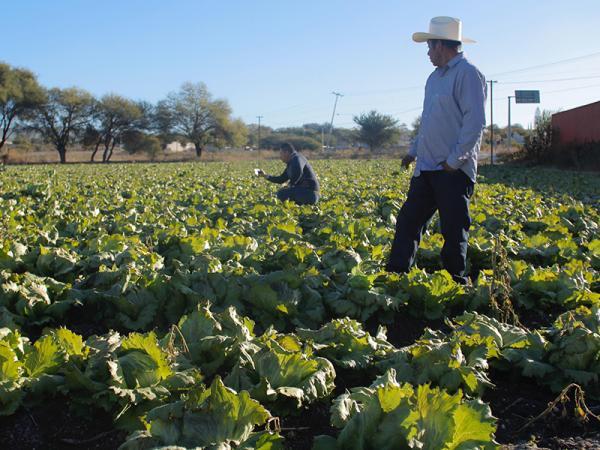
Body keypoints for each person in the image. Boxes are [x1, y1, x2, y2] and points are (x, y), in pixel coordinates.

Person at [386, 16, 487, 285]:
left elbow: (474, 123)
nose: (428, 54)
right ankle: (395, 277)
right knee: (408, 222)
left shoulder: (468, 74)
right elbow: (428, 122)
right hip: (427, 168)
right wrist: (413, 151)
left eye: (429, 48)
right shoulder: (433, 79)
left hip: (452, 170)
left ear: (441, 45)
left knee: (453, 231)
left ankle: (455, 285)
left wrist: (454, 161)